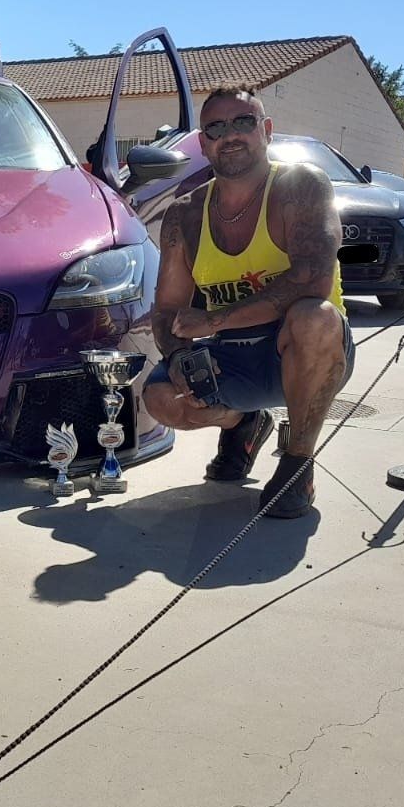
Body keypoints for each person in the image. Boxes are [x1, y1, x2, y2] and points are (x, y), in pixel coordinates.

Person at [142, 87, 355, 518]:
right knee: (161, 398)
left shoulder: (301, 186)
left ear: (267, 130)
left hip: (304, 350)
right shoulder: (184, 214)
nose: (230, 135)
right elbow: (166, 309)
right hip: (231, 356)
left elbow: (312, 280)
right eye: (216, 128)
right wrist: (180, 355)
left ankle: (297, 465)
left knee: (313, 317)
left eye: (243, 122)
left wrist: (213, 320)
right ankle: (243, 423)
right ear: (203, 143)